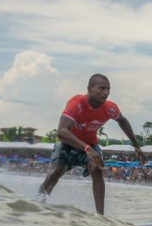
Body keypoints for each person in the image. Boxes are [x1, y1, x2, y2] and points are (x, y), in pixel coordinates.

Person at [38, 74, 145, 215]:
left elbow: (123, 121)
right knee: (55, 173)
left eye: (108, 89)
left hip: (90, 144)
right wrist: (86, 148)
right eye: (101, 88)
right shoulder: (77, 103)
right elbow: (61, 131)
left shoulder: (110, 108)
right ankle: (38, 205)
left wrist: (136, 145)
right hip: (67, 143)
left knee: (97, 169)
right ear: (90, 88)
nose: (106, 93)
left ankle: (100, 217)